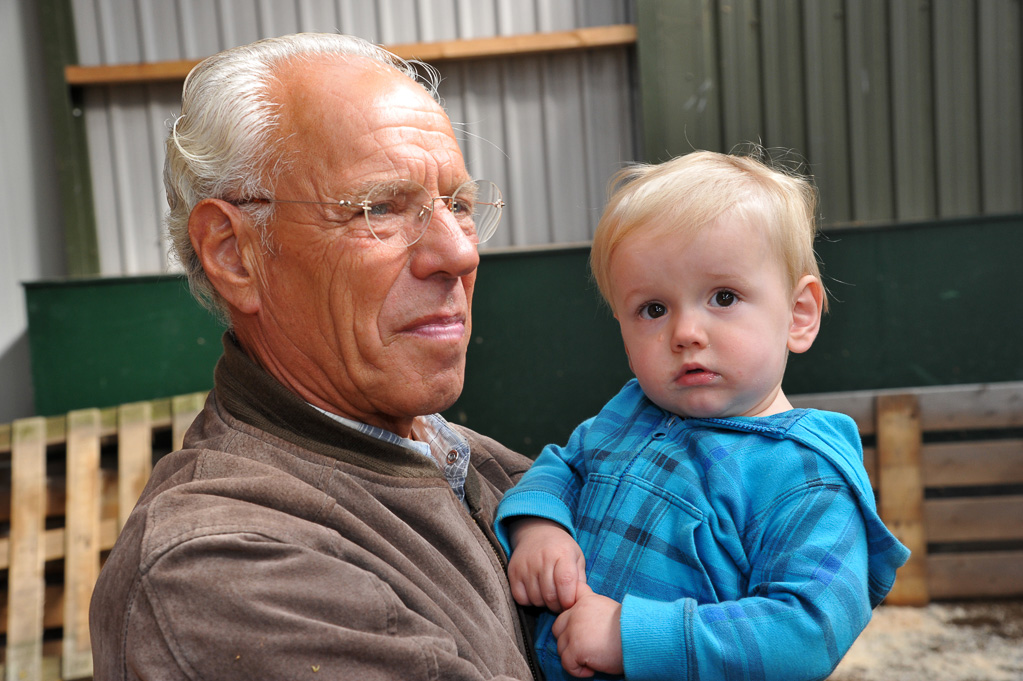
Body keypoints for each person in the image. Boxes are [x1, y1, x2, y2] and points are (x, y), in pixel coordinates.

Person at [90, 33, 539, 681]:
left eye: (460, 206)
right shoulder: (218, 570)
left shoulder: (492, 468)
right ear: (233, 253)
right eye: (380, 207)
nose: (460, 254)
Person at [494, 150, 910, 681]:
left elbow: (807, 631)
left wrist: (630, 634)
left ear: (799, 315)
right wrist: (539, 527)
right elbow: (563, 465)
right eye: (653, 309)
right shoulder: (630, 413)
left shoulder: (807, 477)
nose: (685, 332)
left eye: (723, 296)